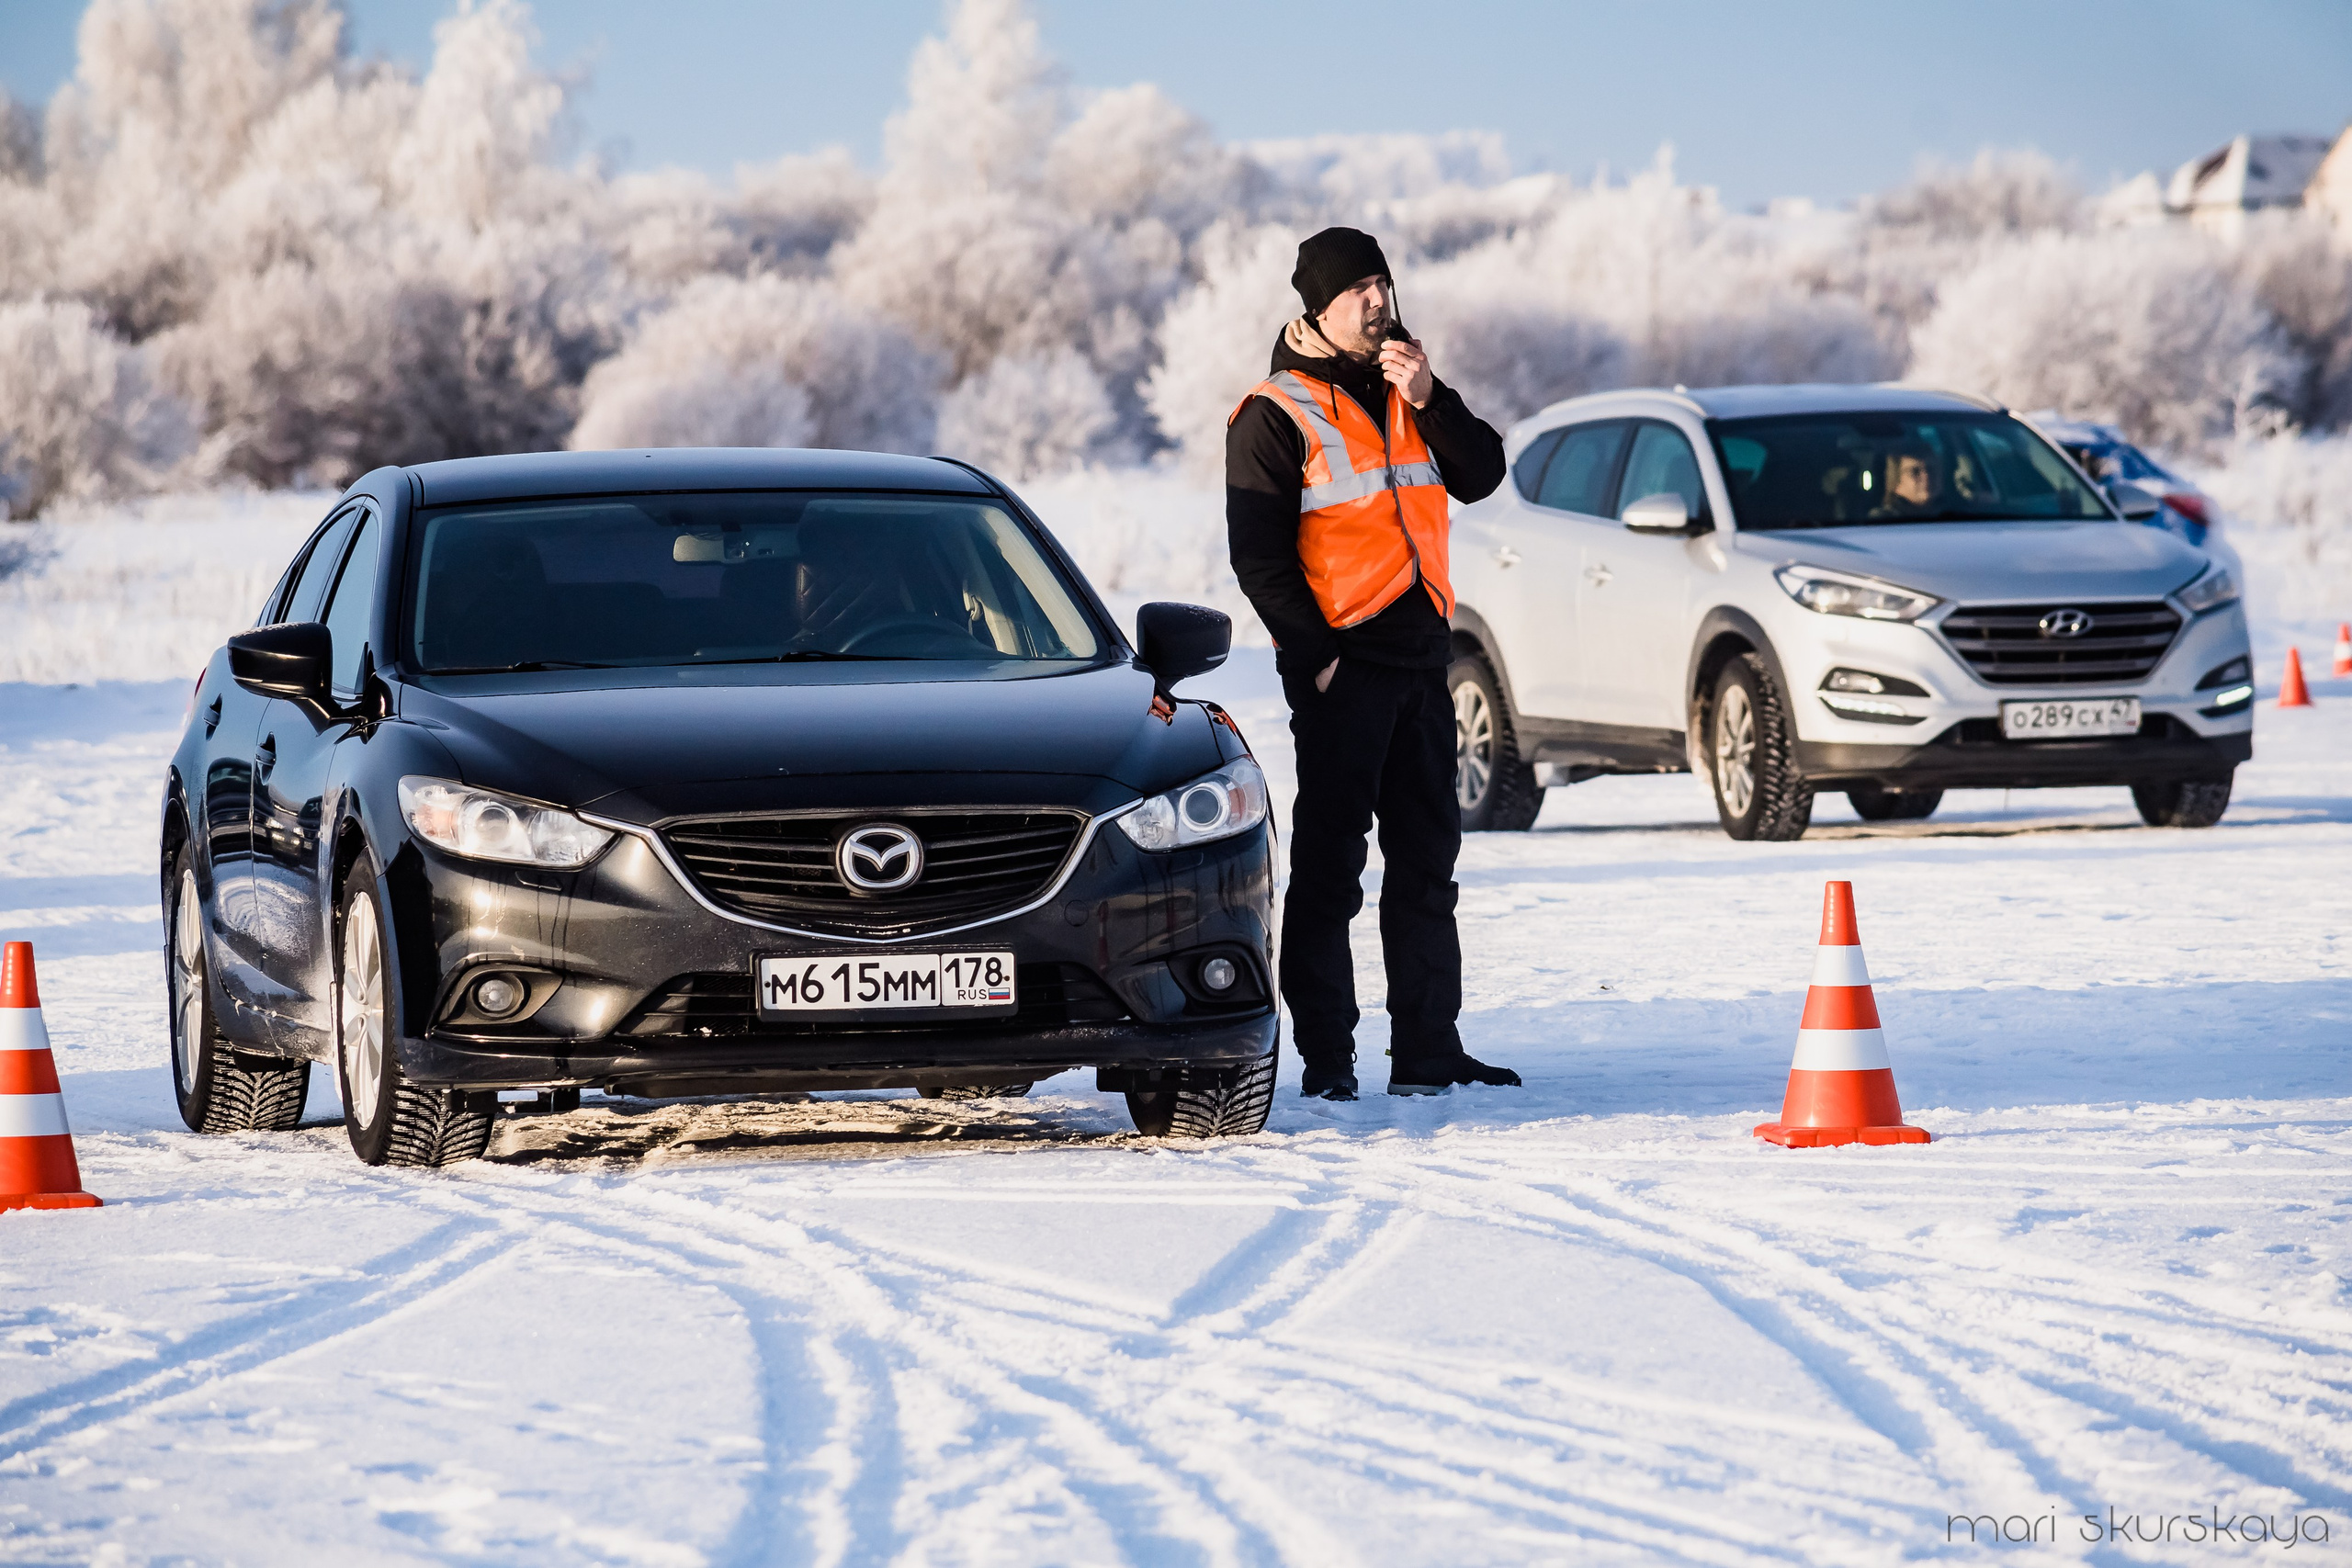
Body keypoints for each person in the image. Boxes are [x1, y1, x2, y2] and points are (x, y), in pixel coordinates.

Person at [1226, 226, 1521, 1102]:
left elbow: (1483, 472)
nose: (1377, 302)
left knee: (1429, 862)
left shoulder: (1410, 392)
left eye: (1383, 284)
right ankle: (1328, 1059)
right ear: (1315, 307)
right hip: (1344, 668)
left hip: (1423, 658)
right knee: (1331, 872)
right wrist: (1316, 663)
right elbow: (1260, 560)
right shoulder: (1275, 412)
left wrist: (1432, 396)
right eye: (1357, 289)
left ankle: (1429, 1047)